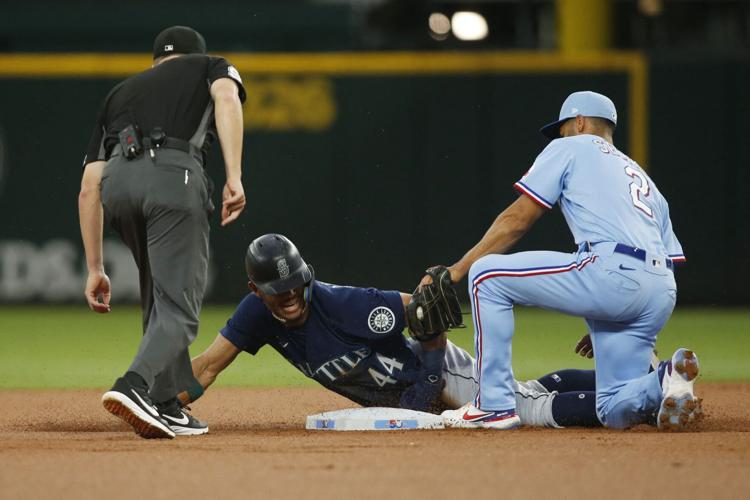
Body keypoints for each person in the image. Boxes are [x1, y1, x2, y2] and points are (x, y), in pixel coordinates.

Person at [432, 91, 699, 431]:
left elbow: (517, 220)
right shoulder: (644, 179)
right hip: (660, 289)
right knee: (612, 408)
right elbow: (667, 261)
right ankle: (664, 380)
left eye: (562, 128)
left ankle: (494, 405)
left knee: (487, 275)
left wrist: (457, 270)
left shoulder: (569, 146)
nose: (559, 136)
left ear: (580, 122)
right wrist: (614, 307)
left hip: (612, 272)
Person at [174, 233, 621, 431]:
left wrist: (429, 380)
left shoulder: (343, 304)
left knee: (525, 409)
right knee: (528, 391)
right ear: (256, 290)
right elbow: (209, 366)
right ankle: (628, 379)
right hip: (411, 389)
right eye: (278, 290)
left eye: (296, 284)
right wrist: (161, 404)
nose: (290, 295)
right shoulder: (255, 315)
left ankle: (644, 395)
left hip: (441, 373)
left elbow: (426, 310)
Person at [78, 26, 246, 439]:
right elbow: (226, 98)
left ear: (155, 61)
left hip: (118, 185)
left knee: (158, 295)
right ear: (195, 54)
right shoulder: (211, 66)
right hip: (173, 176)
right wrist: (234, 175)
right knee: (180, 308)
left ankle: (166, 403)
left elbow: (88, 186)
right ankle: (134, 385)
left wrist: (95, 266)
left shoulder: (120, 93)